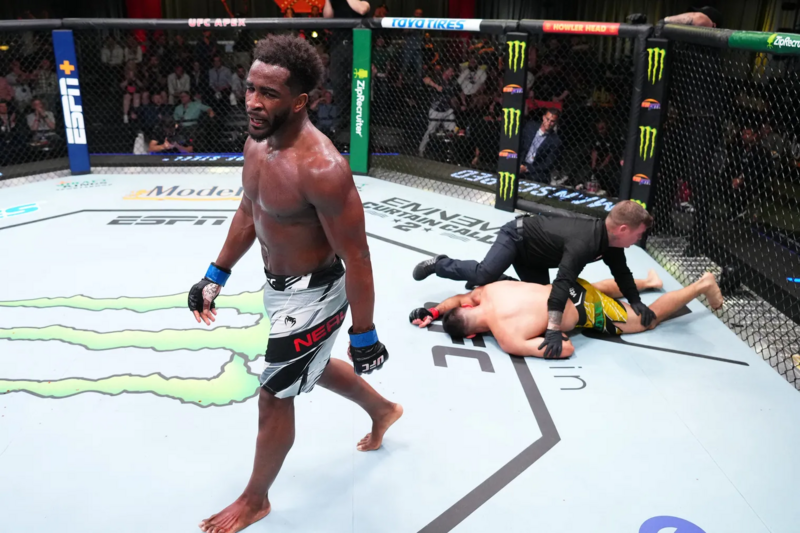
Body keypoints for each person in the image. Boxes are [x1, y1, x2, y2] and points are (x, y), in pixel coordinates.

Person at [190, 34, 400, 533]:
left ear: (301, 101)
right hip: (278, 288)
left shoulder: (322, 168)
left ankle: (255, 499)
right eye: (250, 88)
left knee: (274, 393)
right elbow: (250, 211)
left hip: (317, 295)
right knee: (312, 367)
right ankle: (384, 410)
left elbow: (357, 256)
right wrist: (216, 274)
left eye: (268, 94)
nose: (252, 102)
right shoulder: (255, 144)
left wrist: (365, 333)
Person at [412, 201, 657, 358]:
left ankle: (500, 280)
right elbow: (562, 283)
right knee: (484, 274)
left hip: (536, 257)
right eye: (639, 234)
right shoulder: (584, 242)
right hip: (517, 236)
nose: (639, 239)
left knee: (535, 299)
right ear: (623, 230)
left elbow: (621, 272)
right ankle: (440, 263)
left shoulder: (610, 243)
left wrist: (636, 301)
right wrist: (553, 328)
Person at [408, 270, 723, 358]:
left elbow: (566, 348)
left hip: (586, 309)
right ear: (467, 309)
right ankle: (649, 281)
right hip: (568, 284)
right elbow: (457, 298)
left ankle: (702, 284)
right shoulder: (487, 291)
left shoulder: (508, 339)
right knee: (594, 288)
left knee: (646, 320)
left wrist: (553, 330)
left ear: (473, 334)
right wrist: (434, 311)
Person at [418, 65, 459, 157]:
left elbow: (453, 97)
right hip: (436, 111)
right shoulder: (437, 78)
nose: (452, 73)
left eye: (453, 72)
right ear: (446, 71)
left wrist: (459, 105)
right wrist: (436, 86)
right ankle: (421, 150)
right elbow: (425, 79)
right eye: (451, 71)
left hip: (447, 110)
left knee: (454, 129)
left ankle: (451, 152)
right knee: (430, 131)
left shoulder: (451, 83)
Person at [519, 108, 562, 183]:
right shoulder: (530, 126)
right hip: (521, 162)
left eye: (552, 121)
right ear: (543, 117)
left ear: (556, 122)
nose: (548, 123)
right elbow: (520, 144)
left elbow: (548, 164)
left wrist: (527, 168)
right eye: (547, 119)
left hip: (536, 169)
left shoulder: (555, 141)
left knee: (539, 178)